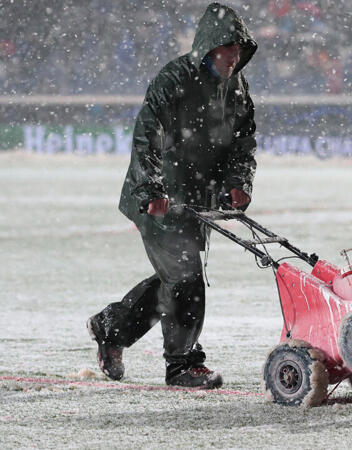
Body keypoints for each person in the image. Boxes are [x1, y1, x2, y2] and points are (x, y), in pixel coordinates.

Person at [87, 2, 257, 389]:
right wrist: (152, 189)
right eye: (229, 47)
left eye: (239, 49)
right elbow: (147, 135)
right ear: (211, 46)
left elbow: (243, 143)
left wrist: (238, 182)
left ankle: (110, 328)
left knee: (172, 280)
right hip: (159, 199)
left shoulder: (237, 87)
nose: (235, 56)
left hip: (198, 199)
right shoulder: (174, 79)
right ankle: (181, 364)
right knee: (185, 277)